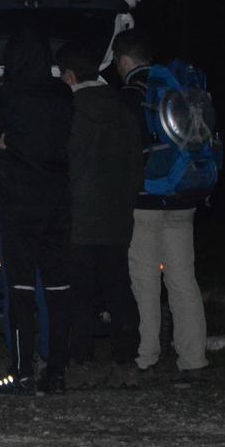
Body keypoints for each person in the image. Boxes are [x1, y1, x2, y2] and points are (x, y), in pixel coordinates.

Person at [113, 30, 210, 384]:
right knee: (183, 279)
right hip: (184, 196)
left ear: (124, 62)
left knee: (145, 281)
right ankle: (193, 358)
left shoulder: (129, 96)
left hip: (145, 202)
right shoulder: (177, 90)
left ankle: (146, 356)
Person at [0, 26, 73, 396]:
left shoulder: (7, 95)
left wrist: (9, 144)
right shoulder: (63, 94)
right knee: (58, 288)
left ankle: (21, 371)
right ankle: (57, 371)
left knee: (20, 288)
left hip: (20, 202)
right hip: (57, 203)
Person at [57, 39, 144, 390]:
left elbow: (66, 163)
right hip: (117, 217)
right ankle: (126, 361)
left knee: (81, 294)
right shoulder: (123, 107)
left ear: (69, 76)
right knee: (120, 289)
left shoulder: (71, 109)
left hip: (79, 218)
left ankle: (81, 361)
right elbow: (137, 162)